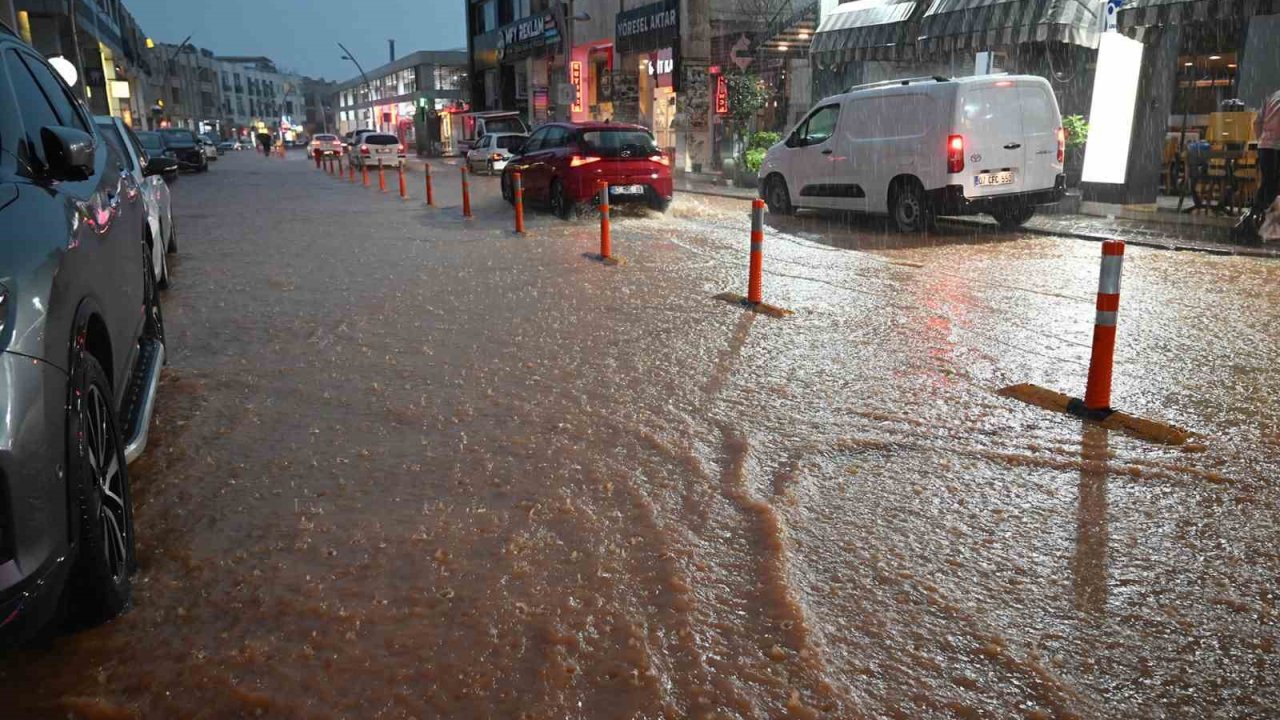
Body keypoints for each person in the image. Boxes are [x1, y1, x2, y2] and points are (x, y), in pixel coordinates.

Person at [1236, 88, 1280, 241]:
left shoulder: (1272, 96)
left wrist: (1262, 139)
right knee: (1272, 187)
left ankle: (1253, 219)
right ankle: (1256, 222)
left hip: (1266, 147)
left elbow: (1257, 122)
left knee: (1268, 185)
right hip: (1276, 147)